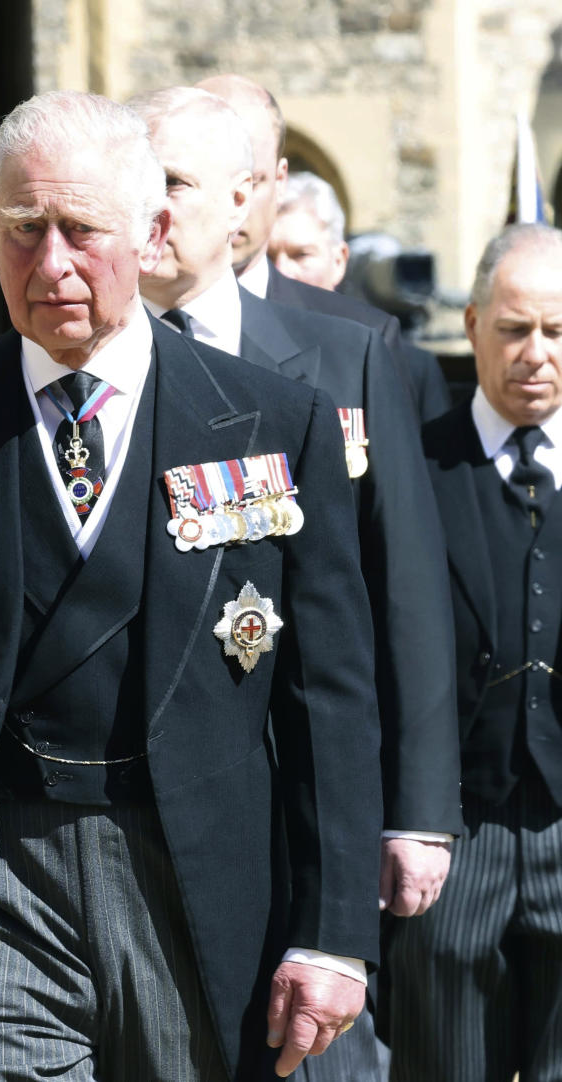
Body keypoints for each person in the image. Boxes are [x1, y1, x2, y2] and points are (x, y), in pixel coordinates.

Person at [0, 89, 385, 1082]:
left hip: (194, 877)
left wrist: (334, 930)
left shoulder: (273, 422)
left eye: (81, 230)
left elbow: (331, 696)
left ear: (152, 229)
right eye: (21, 231)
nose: (51, 265)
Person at [133, 85, 462, 1081]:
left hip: (302, 791)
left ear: (248, 202)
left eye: (173, 183)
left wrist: (417, 809)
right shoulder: (91, 357)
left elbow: (405, 593)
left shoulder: (346, 355)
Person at [389, 223, 562, 1081]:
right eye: (515, 328)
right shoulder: (408, 470)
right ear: (472, 323)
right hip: (452, 841)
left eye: (559, 332)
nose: (536, 354)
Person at [196, 73, 447, 423]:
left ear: (279, 180)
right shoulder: (133, 320)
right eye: (202, 179)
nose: (234, 203)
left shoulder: (361, 342)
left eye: (252, 179)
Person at [268, 172, 451, 422]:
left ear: (339, 260)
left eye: (301, 255)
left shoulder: (412, 369)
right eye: (267, 258)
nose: (281, 270)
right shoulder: (233, 347)